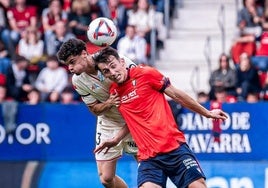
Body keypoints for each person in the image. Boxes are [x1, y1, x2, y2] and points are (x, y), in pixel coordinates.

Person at [94, 47, 228, 188]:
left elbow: (176, 95)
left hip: (175, 148)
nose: (113, 72)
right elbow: (133, 121)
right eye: (106, 71)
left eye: (113, 66)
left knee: (198, 186)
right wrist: (115, 139)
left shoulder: (146, 74)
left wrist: (207, 113)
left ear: (122, 62)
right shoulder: (114, 92)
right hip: (149, 158)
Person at [56, 38, 137, 188]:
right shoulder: (77, 81)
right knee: (106, 178)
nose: (71, 68)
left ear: (84, 53)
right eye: (68, 65)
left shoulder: (114, 61)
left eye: (72, 62)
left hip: (133, 119)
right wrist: (109, 103)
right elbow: (94, 108)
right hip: (109, 121)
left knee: (144, 163)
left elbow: (140, 84)